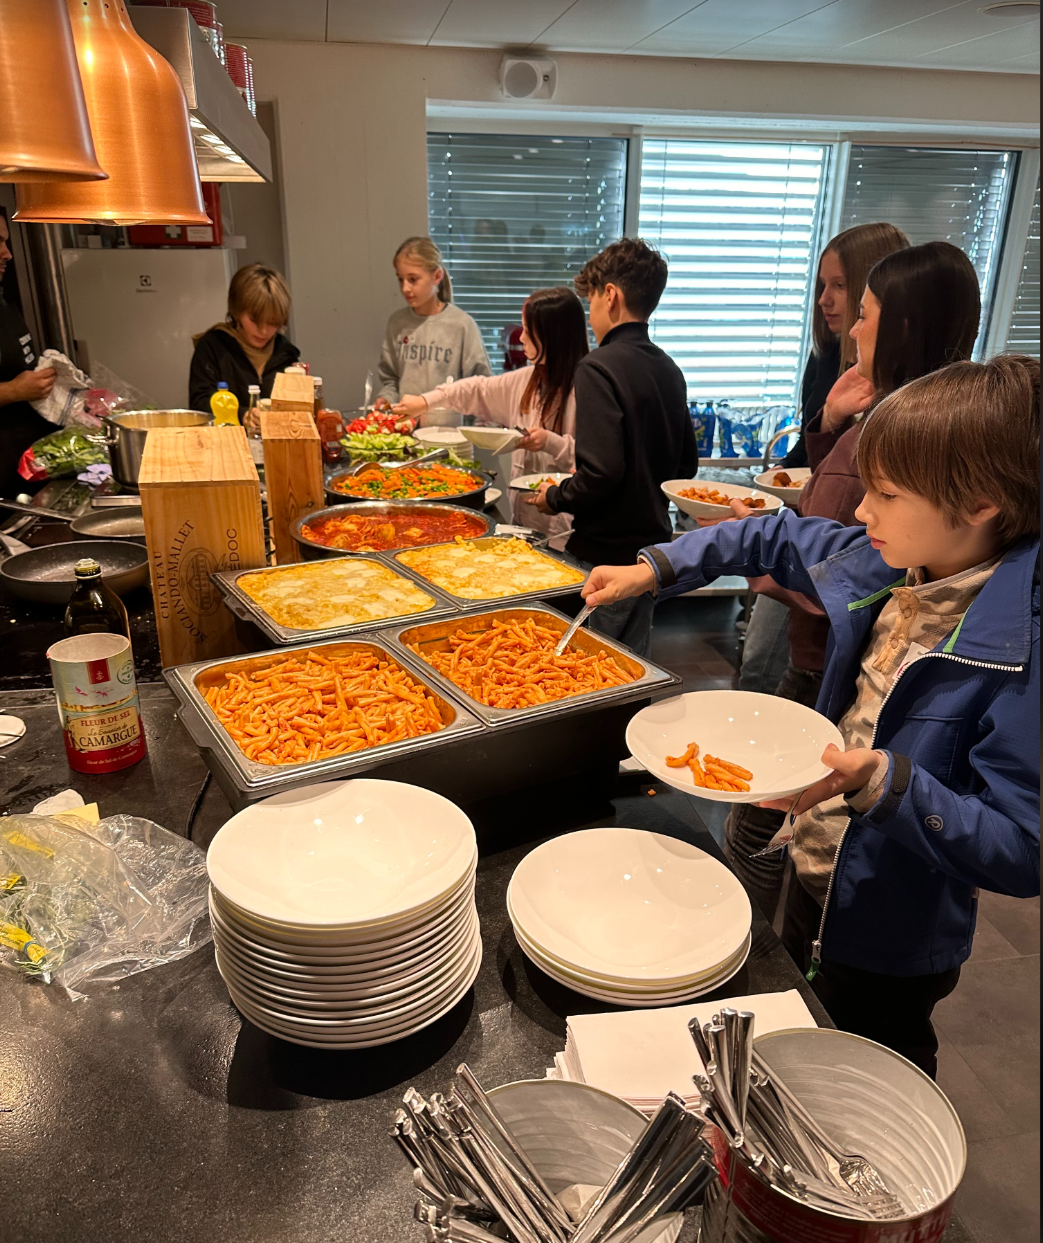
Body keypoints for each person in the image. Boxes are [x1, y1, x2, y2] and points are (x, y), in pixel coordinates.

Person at [582, 353, 1040, 1078]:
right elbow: (769, 535)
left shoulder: (1019, 648)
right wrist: (656, 566)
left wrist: (889, 785)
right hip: (814, 865)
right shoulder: (893, 562)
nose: (861, 511)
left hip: (893, 936)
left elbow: (1021, 846)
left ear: (980, 502)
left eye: (885, 494)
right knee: (797, 1038)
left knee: (871, 1068)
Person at [727, 241, 981, 922]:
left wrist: (768, 571)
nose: (841, 316)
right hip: (836, 659)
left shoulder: (922, 433)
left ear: (902, 322)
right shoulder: (871, 405)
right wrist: (827, 427)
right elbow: (830, 513)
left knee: (764, 829)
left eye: (857, 302)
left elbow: (844, 555)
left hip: (832, 662)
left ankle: (755, 948)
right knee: (796, 836)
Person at [529, 238, 696, 657]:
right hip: (652, 554)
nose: (590, 316)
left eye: (590, 300)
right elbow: (685, 465)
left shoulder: (598, 367)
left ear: (610, 295)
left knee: (590, 668)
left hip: (604, 555)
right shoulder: (668, 368)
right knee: (632, 665)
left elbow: (601, 473)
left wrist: (554, 497)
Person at [393, 287, 586, 549]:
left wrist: (551, 442)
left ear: (553, 336)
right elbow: (475, 390)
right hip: (524, 528)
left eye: (529, 330)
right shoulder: (526, 380)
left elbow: (596, 465)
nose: (522, 338)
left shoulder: (585, 388)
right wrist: (425, 402)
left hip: (566, 535)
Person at [376, 237, 490, 405]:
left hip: (450, 428)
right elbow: (391, 380)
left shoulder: (461, 325)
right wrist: (386, 399)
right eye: (400, 279)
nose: (405, 288)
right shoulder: (397, 323)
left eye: (413, 279)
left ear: (436, 276)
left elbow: (481, 386)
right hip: (407, 426)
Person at [189, 263, 299, 417]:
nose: (263, 331)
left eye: (272, 323)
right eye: (254, 320)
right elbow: (199, 404)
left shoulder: (286, 353)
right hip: (226, 438)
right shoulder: (212, 347)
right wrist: (241, 415)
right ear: (237, 311)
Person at [0, 209, 55, 498]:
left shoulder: (5, 303)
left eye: (6, 242)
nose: (7, 254)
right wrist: (13, 390)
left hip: (25, 470)